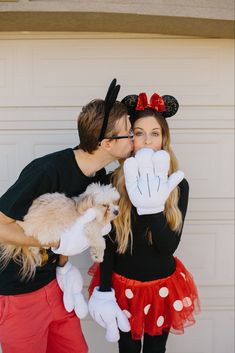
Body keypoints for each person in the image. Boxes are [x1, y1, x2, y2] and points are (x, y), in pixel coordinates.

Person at [0, 79, 134, 353]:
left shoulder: (97, 178)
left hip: (56, 286)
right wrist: (53, 242)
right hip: (18, 294)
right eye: (130, 134)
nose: (134, 139)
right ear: (107, 143)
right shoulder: (47, 170)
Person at [88, 92, 200, 353]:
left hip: (162, 287)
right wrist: (105, 291)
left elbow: (168, 246)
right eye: (138, 133)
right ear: (130, 139)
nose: (147, 141)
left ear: (164, 140)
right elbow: (107, 245)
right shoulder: (110, 183)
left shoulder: (178, 185)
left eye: (155, 133)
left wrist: (152, 206)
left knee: (155, 351)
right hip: (122, 286)